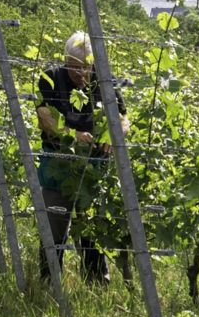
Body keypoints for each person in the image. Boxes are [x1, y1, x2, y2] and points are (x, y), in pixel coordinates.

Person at [35, 31, 129, 284]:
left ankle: (97, 281)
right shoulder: (51, 78)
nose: (81, 75)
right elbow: (45, 117)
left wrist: (112, 136)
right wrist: (72, 135)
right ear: (66, 62)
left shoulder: (104, 81)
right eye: (75, 68)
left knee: (92, 227)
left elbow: (122, 119)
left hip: (94, 167)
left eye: (86, 68)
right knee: (54, 226)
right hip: (58, 165)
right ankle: (48, 282)